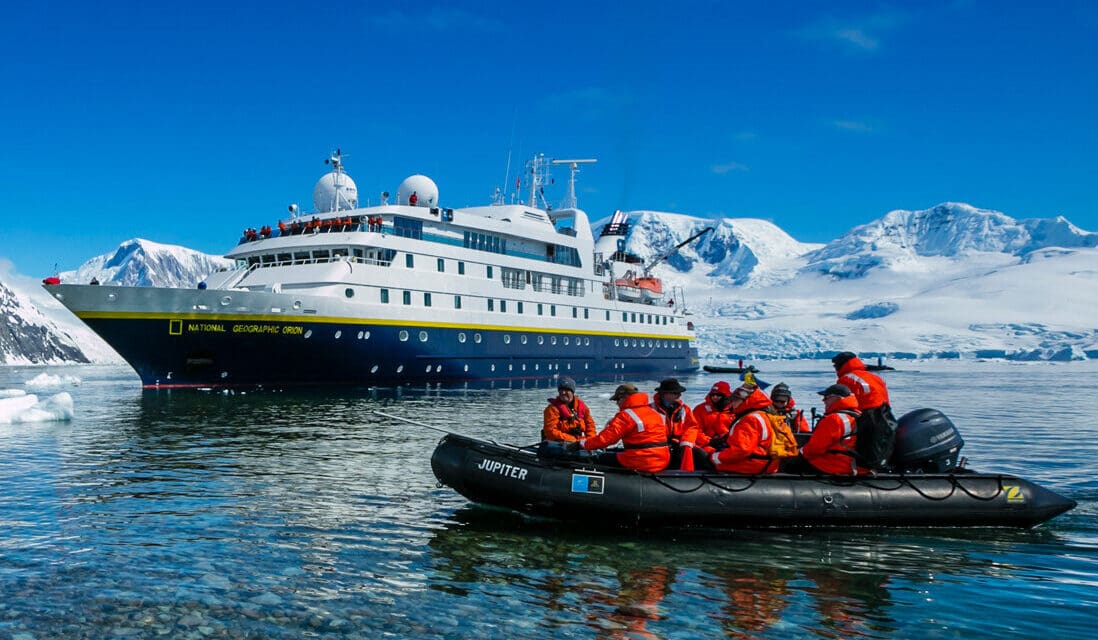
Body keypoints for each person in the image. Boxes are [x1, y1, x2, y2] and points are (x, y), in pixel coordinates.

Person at [571, 384, 670, 473]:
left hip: (641, 461)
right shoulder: (654, 413)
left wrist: (583, 443)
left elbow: (606, 439)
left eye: (617, 400)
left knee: (598, 458)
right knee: (618, 452)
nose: (617, 404)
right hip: (662, 460)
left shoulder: (626, 415)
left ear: (624, 398)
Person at [832, 351, 898, 469]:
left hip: (867, 417)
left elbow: (844, 405)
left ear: (840, 365)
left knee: (865, 451)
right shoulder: (874, 377)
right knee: (879, 449)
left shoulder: (846, 379)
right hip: (886, 415)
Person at [786, 384, 860, 475]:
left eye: (826, 397)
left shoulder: (834, 419)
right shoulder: (858, 416)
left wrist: (797, 454)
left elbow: (814, 449)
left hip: (835, 465)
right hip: (856, 465)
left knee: (790, 464)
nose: (823, 400)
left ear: (837, 398)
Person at [705, 384, 780, 474]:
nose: (732, 404)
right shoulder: (766, 415)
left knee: (702, 454)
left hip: (753, 464)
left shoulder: (750, 419)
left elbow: (742, 450)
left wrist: (715, 457)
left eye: (734, 400)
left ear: (745, 401)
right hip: (767, 462)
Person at [651, 378, 703, 471]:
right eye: (675, 393)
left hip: (678, 444)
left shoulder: (684, 409)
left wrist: (686, 442)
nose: (679, 395)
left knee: (702, 456)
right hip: (658, 446)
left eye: (679, 393)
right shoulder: (651, 410)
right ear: (664, 394)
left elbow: (692, 427)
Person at [542, 378, 597, 442]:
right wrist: (573, 440)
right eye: (561, 390)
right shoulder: (552, 409)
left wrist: (590, 441)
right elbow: (550, 432)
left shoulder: (582, 407)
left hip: (578, 442)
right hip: (559, 443)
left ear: (572, 392)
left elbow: (590, 426)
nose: (563, 392)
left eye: (566, 390)